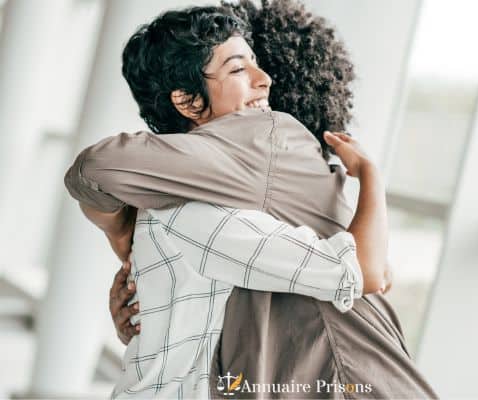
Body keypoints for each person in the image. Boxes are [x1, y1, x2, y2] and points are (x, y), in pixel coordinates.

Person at [69, 0, 438, 398]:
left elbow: (94, 169)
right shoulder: (223, 175)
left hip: (347, 375)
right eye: (239, 69)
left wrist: (121, 236)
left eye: (256, 64)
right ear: (188, 100)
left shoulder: (263, 139)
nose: (264, 81)